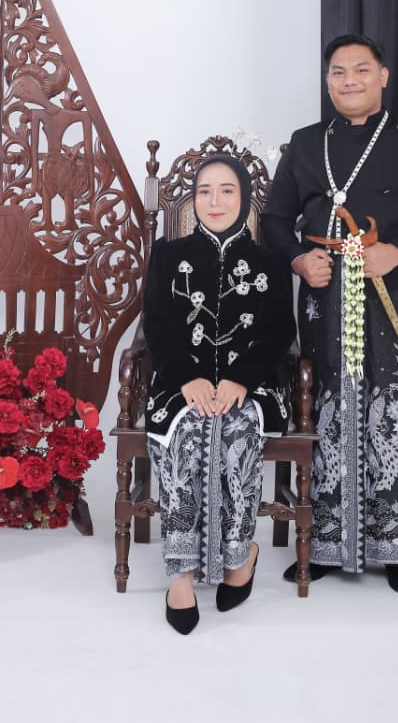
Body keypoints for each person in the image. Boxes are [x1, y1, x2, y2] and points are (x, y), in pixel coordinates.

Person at [262, 34, 398, 595]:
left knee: (395, 411)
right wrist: (299, 260)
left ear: (383, 76)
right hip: (324, 294)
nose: (348, 80)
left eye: (360, 69)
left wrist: (397, 252)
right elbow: (276, 219)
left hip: (393, 293)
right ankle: (324, 541)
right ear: (327, 80)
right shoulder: (307, 143)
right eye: (337, 72)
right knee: (327, 409)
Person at [144, 153, 296, 633]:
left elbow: (279, 332)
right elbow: (157, 325)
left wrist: (241, 378)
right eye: (204, 191)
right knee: (186, 431)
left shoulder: (269, 261)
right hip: (178, 384)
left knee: (238, 430)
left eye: (227, 190)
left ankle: (239, 557)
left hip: (252, 385)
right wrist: (185, 377)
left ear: (244, 198)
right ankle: (181, 575)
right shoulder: (168, 256)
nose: (215, 201)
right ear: (193, 199)